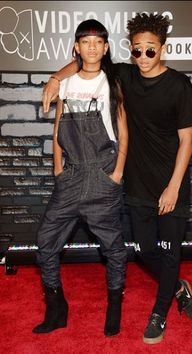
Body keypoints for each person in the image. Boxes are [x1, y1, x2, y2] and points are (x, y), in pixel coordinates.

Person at [42, 13, 192, 344]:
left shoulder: (179, 85)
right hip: (138, 183)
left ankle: (159, 312)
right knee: (144, 250)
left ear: (163, 49)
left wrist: (173, 187)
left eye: (151, 51)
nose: (143, 58)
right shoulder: (124, 76)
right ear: (130, 51)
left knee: (170, 251)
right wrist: (55, 79)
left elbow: (188, 139)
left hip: (171, 182)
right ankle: (177, 287)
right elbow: (83, 62)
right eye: (137, 51)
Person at [33, 19, 128, 337]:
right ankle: (56, 308)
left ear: (105, 47)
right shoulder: (67, 83)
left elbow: (123, 131)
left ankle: (114, 304)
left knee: (113, 247)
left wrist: (116, 173)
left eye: (97, 41)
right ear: (76, 47)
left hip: (103, 175)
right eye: (84, 41)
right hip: (71, 176)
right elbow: (58, 126)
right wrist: (58, 169)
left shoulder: (113, 80)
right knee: (45, 242)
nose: (91, 47)